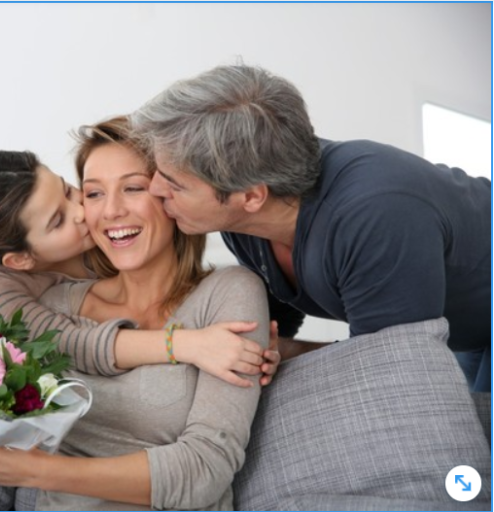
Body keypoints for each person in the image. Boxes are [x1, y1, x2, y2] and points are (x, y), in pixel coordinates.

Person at [0, 116, 269, 510]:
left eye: (133, 188)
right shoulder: (38, 308)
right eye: (94, 193)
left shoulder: (229, 293)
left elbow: (203, 472)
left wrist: (35, 472)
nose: (104, 211)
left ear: (170, 193)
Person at [130, 63, 491, 392]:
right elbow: (276, 315)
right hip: (468, 329)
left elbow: (390, 368)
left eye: (174, 183)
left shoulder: (372, 216)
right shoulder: (242, 212)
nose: (155, 189)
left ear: (251, 196)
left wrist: (290, 352)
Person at [0, 149, 279, 387]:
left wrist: (257, 349)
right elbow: (68, 344)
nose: (82, 212)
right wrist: (185, 345)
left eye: (68, 191)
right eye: (58, 219)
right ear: (22, 260)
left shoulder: (107, 237)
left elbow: (193, 314)